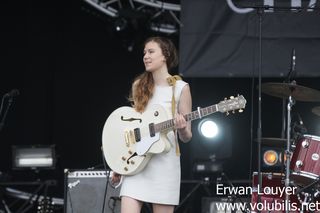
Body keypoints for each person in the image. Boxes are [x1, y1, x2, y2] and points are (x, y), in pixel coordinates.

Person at [111, 36, 193, 213]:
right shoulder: (139, 85)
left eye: (151, 52)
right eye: (144, 53)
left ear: (165, 55)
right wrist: (120, 163)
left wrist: (183, 128)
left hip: (164, 166)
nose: (145, 56)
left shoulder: (181, 88)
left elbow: (187, 138)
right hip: (137, 163)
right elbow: (133, 128)